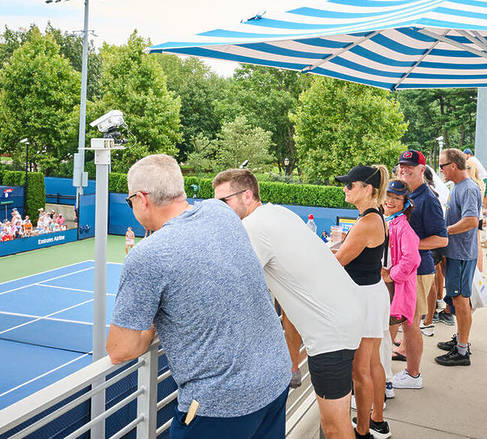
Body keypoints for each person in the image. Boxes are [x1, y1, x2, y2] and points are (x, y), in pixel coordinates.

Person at [106, 155, 290, 439]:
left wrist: (154, 321)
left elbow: (120, 349)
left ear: (142, 199)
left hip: (221, 404)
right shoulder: (221, 212)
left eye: (130, 202)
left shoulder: (148, 256)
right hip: (274, 378)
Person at [212, 169, 363, 439]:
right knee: (334, 421)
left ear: (247, 195)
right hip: (343, 318)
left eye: (224, 202)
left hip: (331, 333)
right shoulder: (276, 213)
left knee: (335, 426)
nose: (219, 210)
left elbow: (230, 286)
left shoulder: (254, 227)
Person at [331, 164, 391, 439]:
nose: (345, 189)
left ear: (367, 189)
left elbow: (338, 262)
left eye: (349, 185)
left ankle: (364, 430)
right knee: (372, 364)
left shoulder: (367, 222)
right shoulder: (376, 216)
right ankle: (375, 419)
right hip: (373, 294)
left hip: (364, 298)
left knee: (360, 371)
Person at [432, 148, 481, 367]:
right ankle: (461, 339)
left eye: (442, 165)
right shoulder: (459, 187)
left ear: (453, 165)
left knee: (461, 302)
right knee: (457, 300)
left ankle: (462, 350)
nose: (440, 169)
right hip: (455, 252)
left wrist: (445, 231)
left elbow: (471, 221)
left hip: (461, 254)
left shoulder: (468, 188)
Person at [396, 150, 448, 350]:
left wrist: (410, 244)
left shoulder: (428, 199)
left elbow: (442, 240)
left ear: (422, 169)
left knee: (411, 320)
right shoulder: (404, 193)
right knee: (406, 317)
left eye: (410, 166)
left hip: (419, 268)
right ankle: (404, 346)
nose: (404, 169)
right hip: (406, 267)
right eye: (402, 165)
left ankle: (407, 360)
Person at [380, 179, 423, 391]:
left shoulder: (402, 227)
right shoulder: (389, 221)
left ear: (405, 203)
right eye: (388, 196)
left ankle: (386, 384)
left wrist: (392, 275)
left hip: (396, 291)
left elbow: (413, 259)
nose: (390, 201)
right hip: (391, 289)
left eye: (397, 198)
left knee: (385, 338)